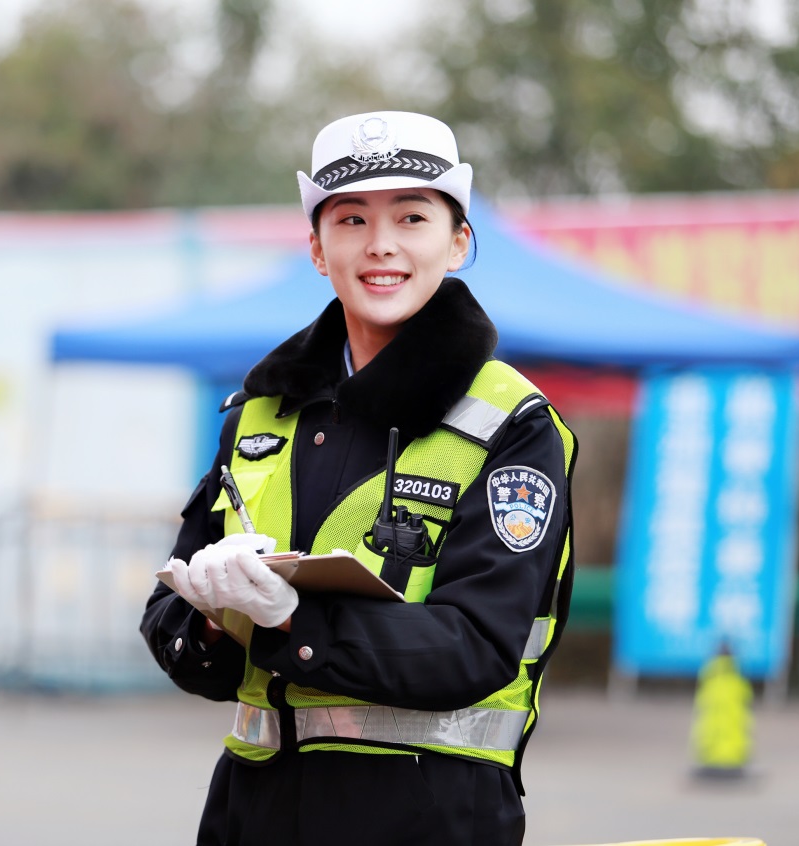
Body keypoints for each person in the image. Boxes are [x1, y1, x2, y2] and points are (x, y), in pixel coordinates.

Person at [140, 111, 578, 846]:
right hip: (250, 810)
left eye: (412, 216)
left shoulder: (512, 422)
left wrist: (289, 619)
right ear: (316, 247)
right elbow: (171, 627)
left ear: (458, 240)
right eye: (349, 219)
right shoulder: (256, 416)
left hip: (430, 816)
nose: (380, 245)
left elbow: (474, 646)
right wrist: (213, 616)